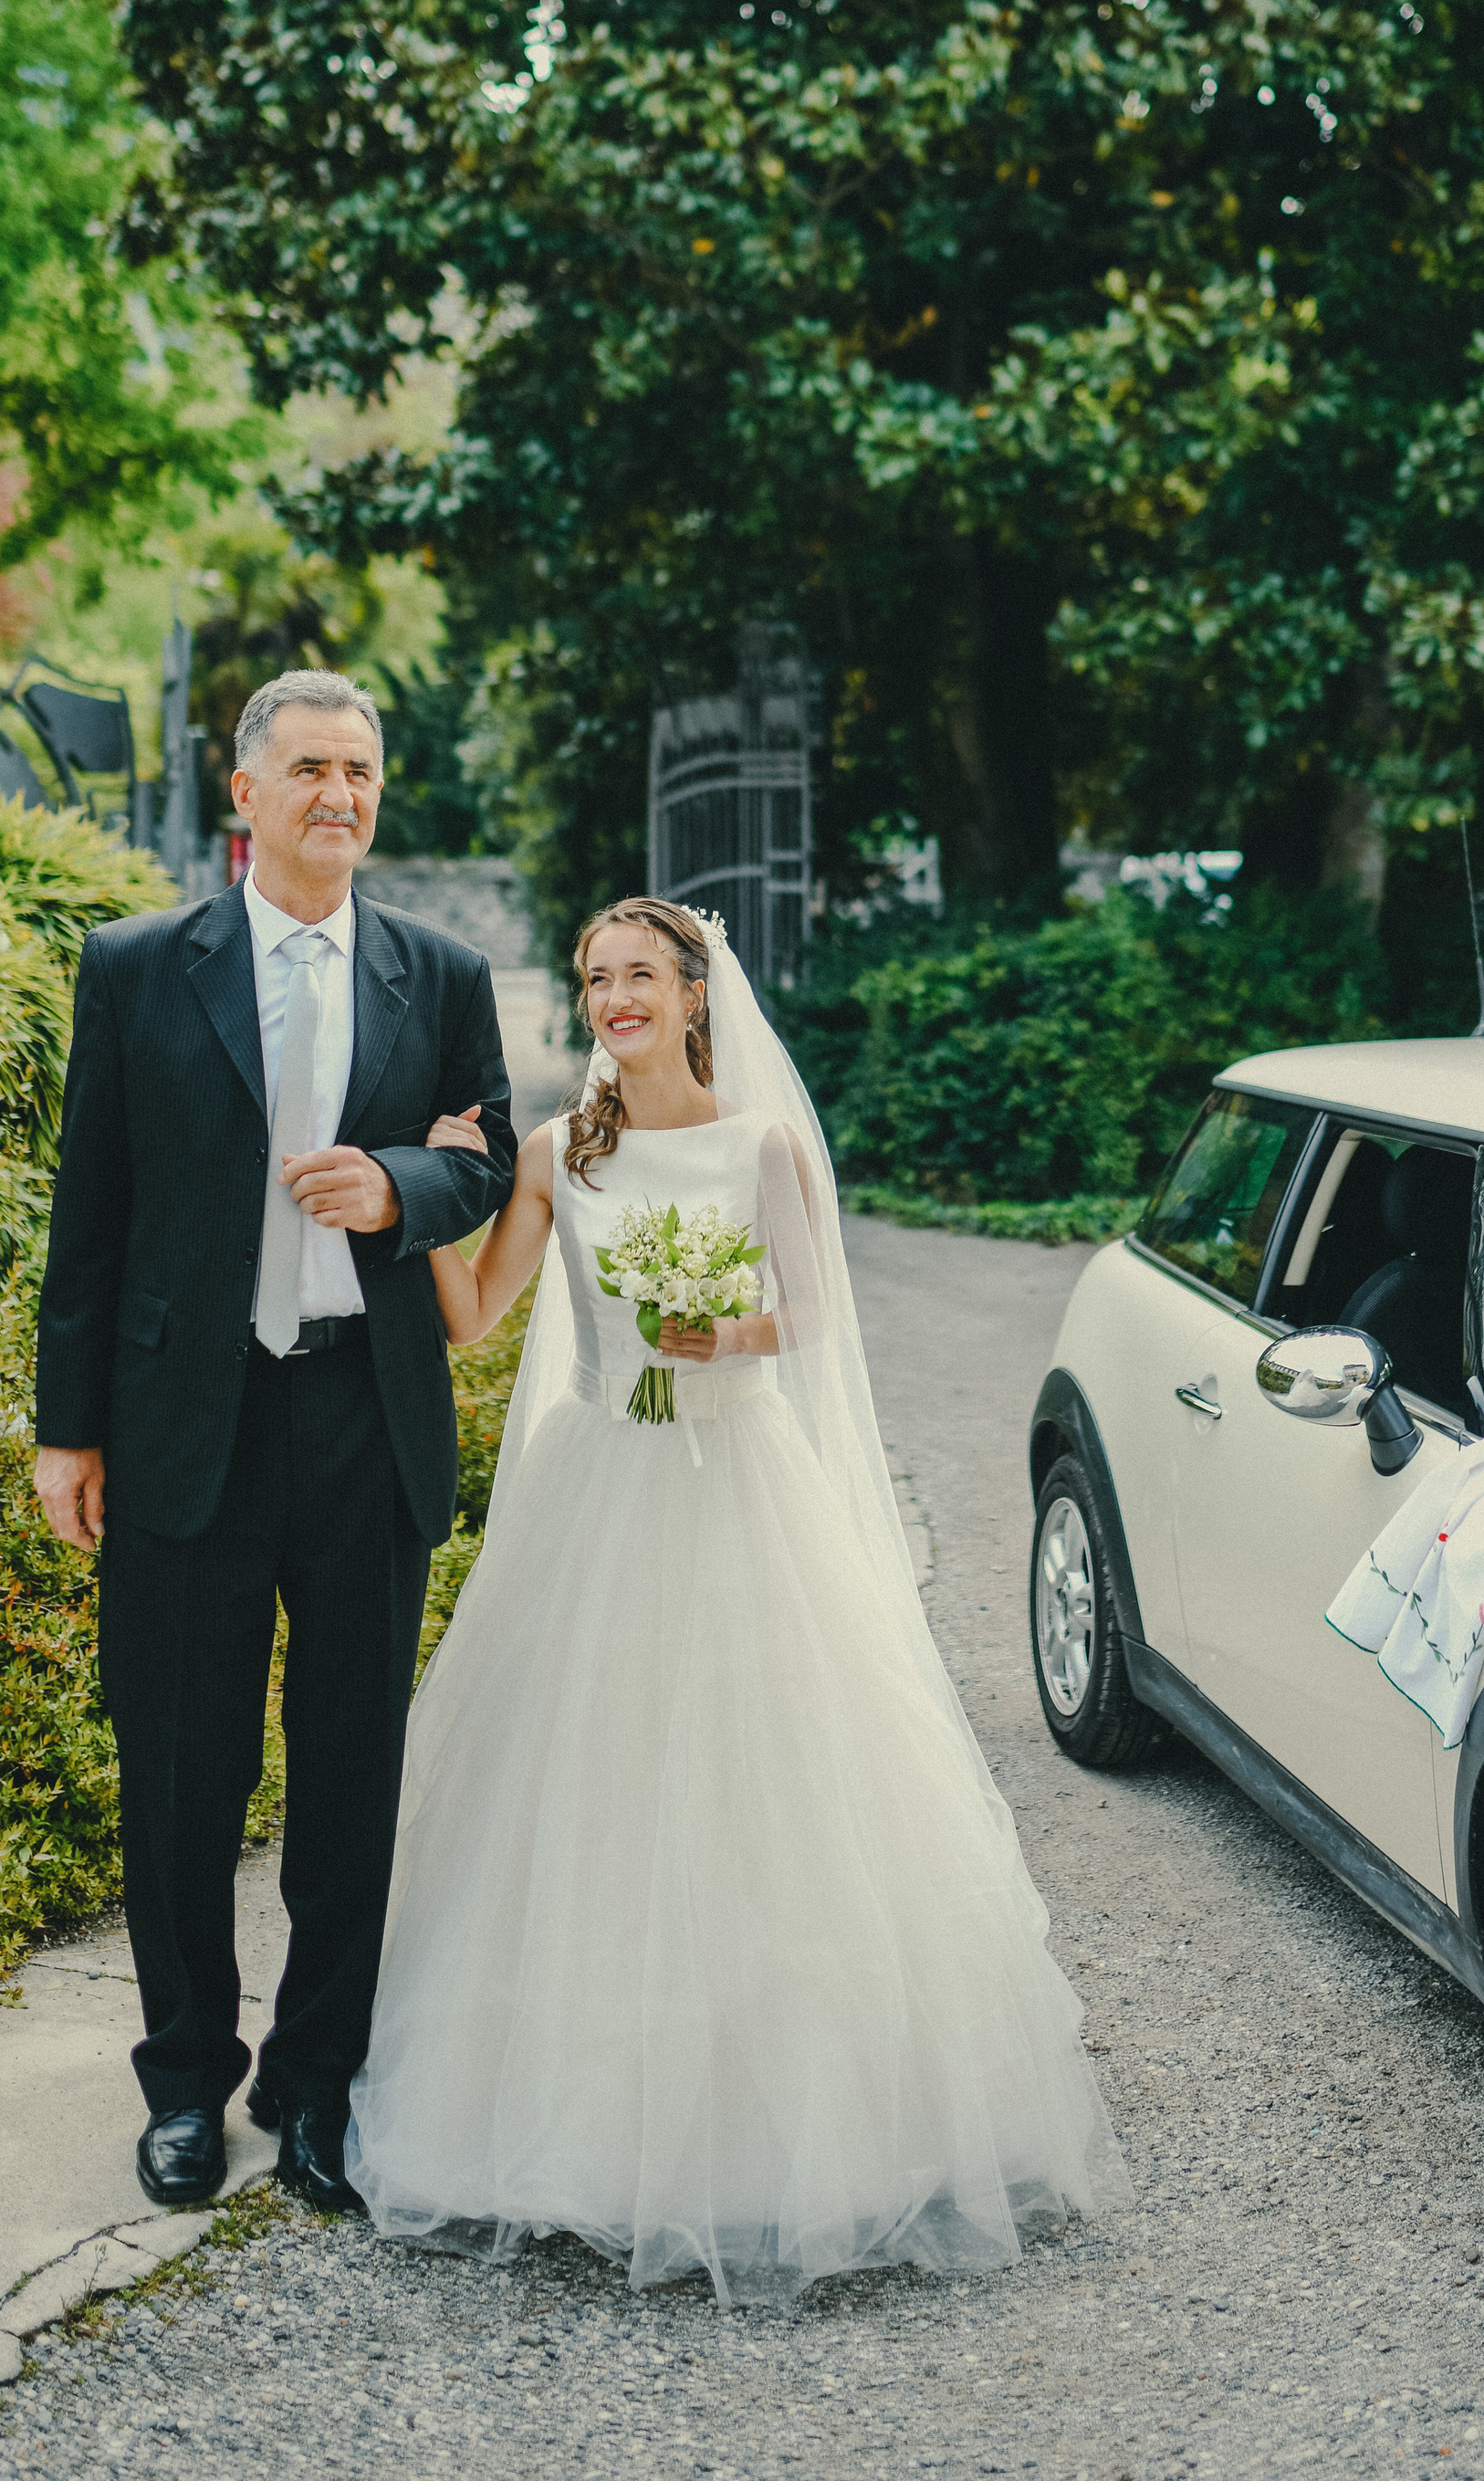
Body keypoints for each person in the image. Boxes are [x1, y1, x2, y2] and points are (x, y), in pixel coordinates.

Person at [345, 895, 1127, 2302]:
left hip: (739, 1480)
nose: (616, 1000)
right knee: (591, 1787)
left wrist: (728, 1330)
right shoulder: (556, 1153)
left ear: (694, 995)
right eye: (598, 979)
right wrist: (428, 1191)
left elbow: (814, 1317)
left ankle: (785, 2131)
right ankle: (577, 2128)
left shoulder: (762, 1145)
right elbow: (473, 1316)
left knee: (763, 1781)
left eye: (641, 975)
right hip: (601, 1486)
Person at [32, 669, 515, 2213]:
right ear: (244, 793)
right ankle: (186, 2086)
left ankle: (316, 2090)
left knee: (351, 1779)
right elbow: (91, 1210)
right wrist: (68, 1429)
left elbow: (490, 1154)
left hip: (366, 1419)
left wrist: (397, 1186)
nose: (338, 795)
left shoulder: (441, 974)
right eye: (308, 767)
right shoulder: (135, 967)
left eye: (359, 770)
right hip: (190, 1424)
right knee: (180, 1774)